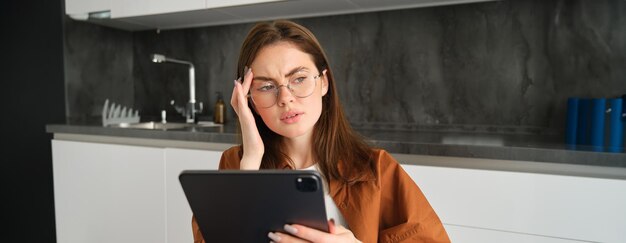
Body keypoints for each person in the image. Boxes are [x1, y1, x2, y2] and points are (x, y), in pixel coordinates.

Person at [192, 20, 450, 243]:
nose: (285, 98)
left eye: (299, 79)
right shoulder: (235, 164)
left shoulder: (376, 169)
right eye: (267, 87)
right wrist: (251, 160)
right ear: (250, 101)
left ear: (324, 82)